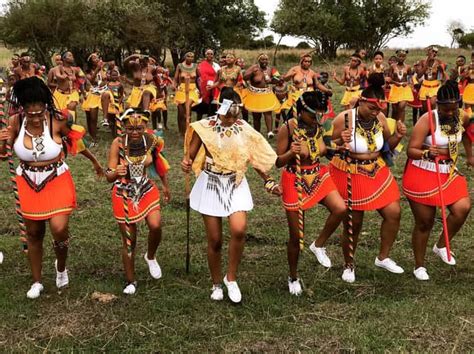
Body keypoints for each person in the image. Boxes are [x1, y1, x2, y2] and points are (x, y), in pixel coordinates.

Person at [0, 77, 102, 299]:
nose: (35, 117)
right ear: (23, 108)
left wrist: (94, 162)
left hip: (56, 179)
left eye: (39, 111)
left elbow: (77, 142)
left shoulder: (57, 121)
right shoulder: (15, 123)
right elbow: (3, 155)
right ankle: (37, 281)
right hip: (27, 182)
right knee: (34, 234)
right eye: (30, 112)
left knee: (59, 229)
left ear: (45, 105)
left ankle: (61, 266)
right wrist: (2, 141)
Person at [181, 87, 280, 303]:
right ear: (219, 108)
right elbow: (191, 153)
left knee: (239, 229)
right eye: (228, 115)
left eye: (235, 116)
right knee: (215, 240)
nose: (231, 119)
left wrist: (268, 180)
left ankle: (231, 278)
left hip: (235, 184)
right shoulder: (203, 128)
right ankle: (216, 283)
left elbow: (253, 157)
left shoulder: (243, 128)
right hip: (211, 183)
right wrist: (186, 161)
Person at [330, 74, 407, 283]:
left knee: (394, 212)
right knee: (354, 223)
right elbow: (327, 147)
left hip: (377, 170)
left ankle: (383, 257)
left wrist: (398, 136)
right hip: (351, 171)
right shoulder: (344, 118)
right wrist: (339, 141)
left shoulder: (380, 119)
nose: (376, 113)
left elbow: (387, 147)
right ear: (362, 101)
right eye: (372, 109)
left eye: (379, 109)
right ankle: (348, 264)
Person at [276, 91, 346, 295]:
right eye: (313, 115)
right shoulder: (288, 128)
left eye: (320, 115)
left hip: (318, 174)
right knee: (296, 237)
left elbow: (326, 149)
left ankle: (318, 245)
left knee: (340, 209)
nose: (318, 119)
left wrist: (340, 144)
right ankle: (293, 276)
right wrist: (291, 153)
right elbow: (278, 161)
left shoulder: (320, 126)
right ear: (301, 110)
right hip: (294, 179)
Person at [402, 80, 472, 281]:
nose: (450, 113)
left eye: (453, 108)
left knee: (462, 208)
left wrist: (469, 155)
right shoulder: (427, 119)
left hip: (447, 171)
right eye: (445, 109)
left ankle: (441, 245)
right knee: (425, 222)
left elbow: (466, 134)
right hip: (423, 172)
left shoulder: (462, 116)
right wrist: (426, 152)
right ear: (437, 104)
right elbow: (411, 150)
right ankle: (419, 266)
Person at [105, 109, 170, 295]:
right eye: (130, 128)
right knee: (129, 240)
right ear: (124, 126)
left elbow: (159, 163)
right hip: (123, 191)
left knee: (156, 226)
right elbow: (108, 175)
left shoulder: (152, 141)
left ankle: (150, 256)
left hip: (145, 188)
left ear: (145, 127)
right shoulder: (118, 143)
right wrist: (116, 172)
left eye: (139, 128)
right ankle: (131, 280)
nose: (134, 132)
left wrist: (166, 186)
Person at [243, 53, 281, 138]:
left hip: (267, 93)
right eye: (262, 59)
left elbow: (278, 78)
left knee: (268, 113)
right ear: (259, 60)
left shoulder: (271, 69)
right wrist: (253, 72)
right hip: (255, 94)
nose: (264, 61)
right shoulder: (254, 68)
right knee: (256, 115)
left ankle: (269, 132)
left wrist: (271, 80)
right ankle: (257, 133)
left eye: (266, 59)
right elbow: (245, 77)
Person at [82, 52, 108, 146]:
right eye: (94, 58)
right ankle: (93, 137)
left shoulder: (104, 69)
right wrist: (97, 69)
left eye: (97, 57)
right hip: (93, 94)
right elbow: (91, 80)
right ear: (90, 62)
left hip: (104, 92)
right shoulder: (88, 72)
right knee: (91, 117)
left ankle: (106, 121)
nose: (97, 59)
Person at [49, 51, 82, 121]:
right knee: (61, 115)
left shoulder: (75, 69)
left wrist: (82, 90)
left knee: (71, 106)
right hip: (60, 94)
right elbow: (56, 76)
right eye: (70, 56)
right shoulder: (56, 69)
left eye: (72, 56)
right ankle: (66, 126)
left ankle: (72, 126)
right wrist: (62, 77)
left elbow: (83, 79)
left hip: (73, 93)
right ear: (64, 58)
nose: (72, 58)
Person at [174, 52, 200, 136]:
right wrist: (174, 85)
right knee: (181, 113)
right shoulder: (180, 66)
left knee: (187, 107)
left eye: (192, 57)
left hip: (192, 90)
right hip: (182, 89)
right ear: (185, 57)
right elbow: (175, 78)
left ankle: (188, 132)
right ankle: (182, 131)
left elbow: (199, 78)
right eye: (188, 56)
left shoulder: (196, 66)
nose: (190, 58)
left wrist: (201, 89)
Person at [416, 45, 447, 113]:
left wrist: (441, 69)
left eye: (435, 52)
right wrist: (427, 62)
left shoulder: (439, 62)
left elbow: (443, 74)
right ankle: (427, 121)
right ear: (427, 52)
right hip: (425, 85)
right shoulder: (422, 62)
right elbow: (419, 75)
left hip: (435, 86)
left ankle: (434, 121)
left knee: (432, 104)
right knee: (425, 109)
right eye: (432, 51)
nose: (434, 53)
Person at [387, 50, 414, 122]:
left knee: (401, 107)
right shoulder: (392, 66)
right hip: (395, 89)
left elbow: (410, 79)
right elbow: (389, 79)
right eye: (400, 56)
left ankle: (401, 125)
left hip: (404, 89)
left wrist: (407, 83)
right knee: (395, 109)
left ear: (405, 57)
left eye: (403, 56)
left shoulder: (408, 67)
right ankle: (393, 126)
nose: (401, 58)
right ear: (397, 57)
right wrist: (394, 82)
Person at [101, 67, 124, 137]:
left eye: (116, 75)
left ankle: (118, 133)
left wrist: (119, 102)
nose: (114, 77)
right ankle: (113, 133)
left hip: (118, 103)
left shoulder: (120, 84)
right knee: (111, 120)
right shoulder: (107, 84)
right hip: (110, 103)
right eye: (113, 75)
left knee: (117, 119)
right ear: (110, 76)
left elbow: (122, 94)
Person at [197, 49, 220, 119]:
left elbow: (219, 77)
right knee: (200, 109)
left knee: (212, 109)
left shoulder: (217, 66)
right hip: (204, 89)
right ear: (205, 55)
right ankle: (198, 125)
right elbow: (199, 77)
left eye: (211, 54)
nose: (209, 55)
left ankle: (210, 124)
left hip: (214, 89)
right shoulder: (201, 65)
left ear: (213, 55)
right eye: (208, 54)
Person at [150, 65, 172, 130]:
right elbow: (155, 77)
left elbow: (165, 90)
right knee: (155, 112)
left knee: (164, 111)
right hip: (154, 98)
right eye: (158, 72)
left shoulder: (162, 81)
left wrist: (165, 98)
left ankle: (164, 125)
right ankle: (155, 128)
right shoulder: (153, 79)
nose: (160, 74)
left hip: (162, 98)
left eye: (161, 72)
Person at [461, 52, 474, 116]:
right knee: (468, 111)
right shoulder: (468, 67)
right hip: (469, 89)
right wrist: (468, 69)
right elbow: (462, 79)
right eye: (473, 57)